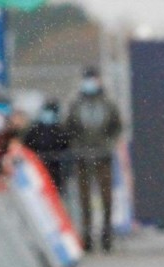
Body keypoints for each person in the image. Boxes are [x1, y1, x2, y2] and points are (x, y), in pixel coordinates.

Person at [65, 66, 123, 252]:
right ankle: (87, 235)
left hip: (103, 155)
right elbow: (69, 127)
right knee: (85, 199)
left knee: (106, 198)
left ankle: (107, 234)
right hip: (82, 156)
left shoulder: (107, 103)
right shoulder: (76, 103)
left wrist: (108, 143)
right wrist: (77, 145)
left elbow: (117, 126)